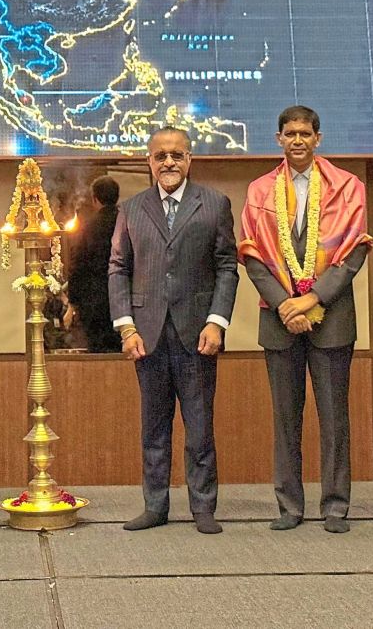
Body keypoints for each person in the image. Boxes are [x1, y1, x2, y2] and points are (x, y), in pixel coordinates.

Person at [239, 105, 371, 534]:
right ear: (278, 139)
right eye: (289, 133)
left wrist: (313, 298)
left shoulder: (348, 187)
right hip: (279, 320)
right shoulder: (260, 190)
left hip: (331, 318)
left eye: (304, 133)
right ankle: (289, 506)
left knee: (334, 418)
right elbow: (252, 256)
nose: (297, 140)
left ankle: (335, 506)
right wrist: (284, 305)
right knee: (285, 418)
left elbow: (353, 254)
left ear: (318, 138)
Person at [109, 126, 238, 534]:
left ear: (189, 160)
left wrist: (217, 322)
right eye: (161, 155)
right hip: (146, 335)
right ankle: (155, 505)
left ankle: (203, 507)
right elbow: (118, 269)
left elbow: (227, 268)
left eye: (176, 155)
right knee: (154, 426)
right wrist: (126, 327)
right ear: (149, 161)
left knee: (199, 426)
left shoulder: (215, 204)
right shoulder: (130, 209)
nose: (169, 162)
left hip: (199, 333)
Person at [66, 176, 122, 353]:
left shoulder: (88, 228)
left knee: (98, 351)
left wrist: (73, 303)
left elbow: (77, 266)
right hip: (125, 299)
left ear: (95, 199)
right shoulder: (129, 223)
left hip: (94, 301)